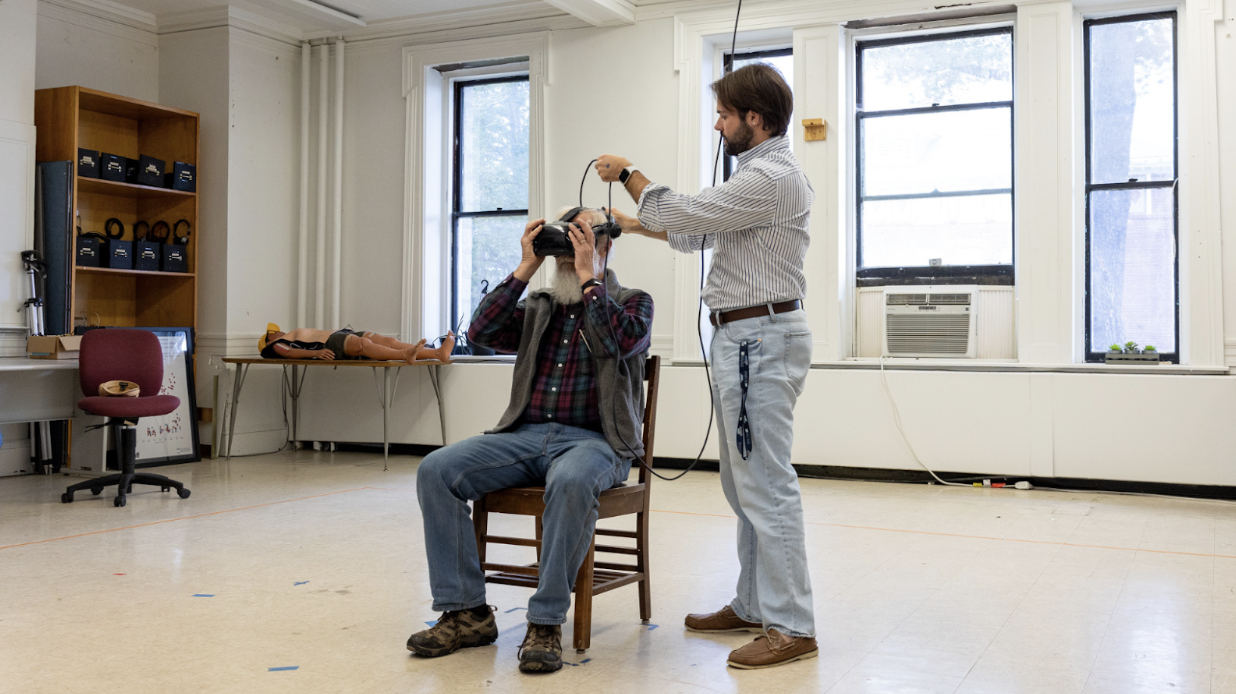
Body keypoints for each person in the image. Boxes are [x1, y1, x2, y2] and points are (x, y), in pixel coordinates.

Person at [595, 62, 817, 670]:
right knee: (743, 483)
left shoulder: (771, 176)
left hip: (759, 338)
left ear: (755, 118)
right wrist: (627, 225)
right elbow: (693, 234)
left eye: (723, 115)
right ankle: (753, 604)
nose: (717, 125)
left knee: (765, 484)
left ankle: (792, 625)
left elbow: (687, 216)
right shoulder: (756, 178)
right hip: (745, 337)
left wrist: (629, 174)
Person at [407, 208, 654, 674]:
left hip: (597, 443)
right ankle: (467, 613)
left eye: (583, 238)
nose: (569, 251)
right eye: (566, 239)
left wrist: (589, 279)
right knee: (435, 470)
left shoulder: (633, 301)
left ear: (606, 244)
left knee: (575, 481)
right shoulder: (540, 306)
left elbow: (620, 342)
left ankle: (545, 622)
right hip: (525, 435)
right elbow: (480, 333)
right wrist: (526, 266)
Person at [257, 325, 453, 364]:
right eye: (273, 332)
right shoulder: (276, 346)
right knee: (363, 345)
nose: (278, 331)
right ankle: (405, 355)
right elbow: (290, 354)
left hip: (337, 334)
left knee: (388, 341)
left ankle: (437, 354)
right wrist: (315, 354)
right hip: (329, 342)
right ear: (269, 340)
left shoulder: (284, 338)